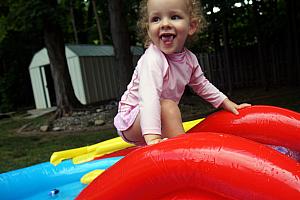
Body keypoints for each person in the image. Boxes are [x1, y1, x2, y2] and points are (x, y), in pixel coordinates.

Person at [114, 0, 250, 146]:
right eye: (156, 19)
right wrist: (152, 138)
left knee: (168, 108)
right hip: (132, 119)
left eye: (174, 17)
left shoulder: (189, 59)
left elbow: (202, 85)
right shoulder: (153, 59)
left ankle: (178, 152)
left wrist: (226, 103)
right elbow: (149, 97)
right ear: (148, 29)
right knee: (169, 108)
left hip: (157, 118)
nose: (165, 24)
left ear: (191, 26)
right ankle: (184, 153)